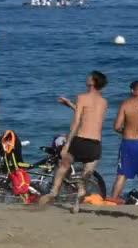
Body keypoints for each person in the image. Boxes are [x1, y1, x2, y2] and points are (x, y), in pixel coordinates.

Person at [39, 71, 108, 213]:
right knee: (87, 174)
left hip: (81, 140)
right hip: (95, 144)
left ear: (92, 82)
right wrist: (70, 104)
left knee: (63, 164)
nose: (86, 77)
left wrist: (67, 144)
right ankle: (78, 200)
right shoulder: (103, 102)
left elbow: (77, 121)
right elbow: (89, 115)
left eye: (89, 76)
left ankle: (54, 192)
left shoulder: (82, 97)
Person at [108, 81, 138, 204]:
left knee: (122, 175)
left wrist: (125, 132)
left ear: (132, 90)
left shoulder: (126, 104)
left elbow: (116, 126)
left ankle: (112, 202)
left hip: (129, 143)